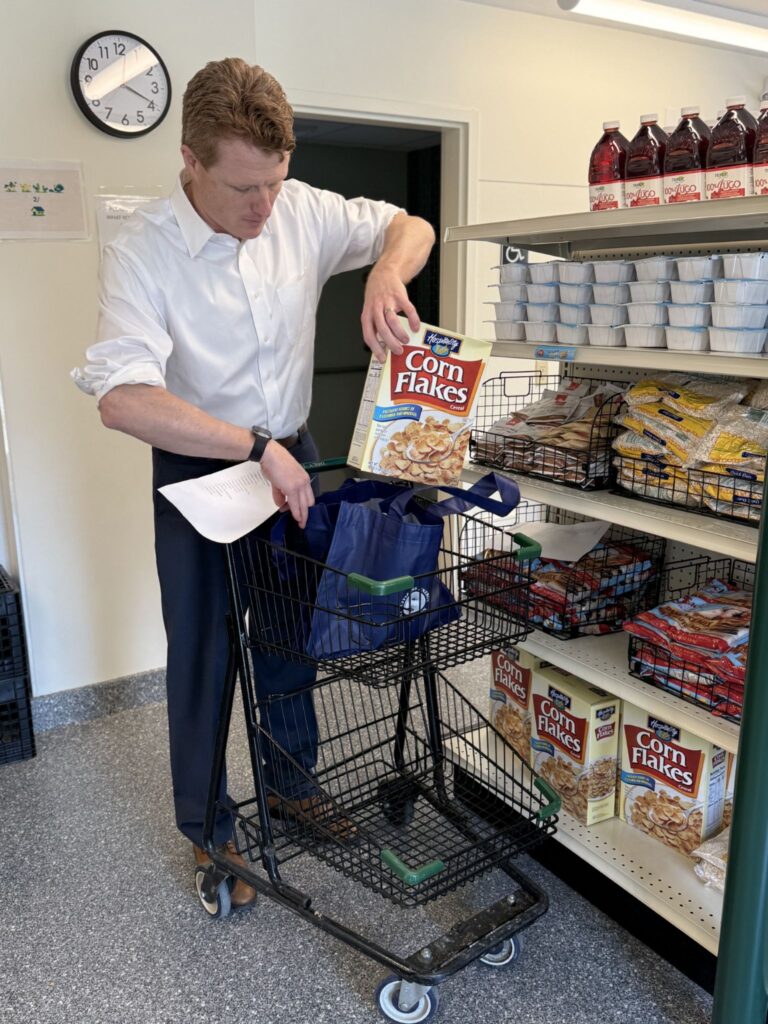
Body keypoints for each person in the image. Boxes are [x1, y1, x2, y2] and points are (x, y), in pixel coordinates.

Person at [72, 58, 435, 907]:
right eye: (243, 187)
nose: (263, 206)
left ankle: (291, 783)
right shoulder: (144, 250)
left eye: (275, 181)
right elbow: (123, 401)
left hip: (291, 456)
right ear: (190, 161)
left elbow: (409, 225)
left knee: (287, 633)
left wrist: (386, 271)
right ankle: (210, 831)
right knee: (204, 652)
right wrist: (251, 443)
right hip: (200, 457)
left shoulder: (301, 209)